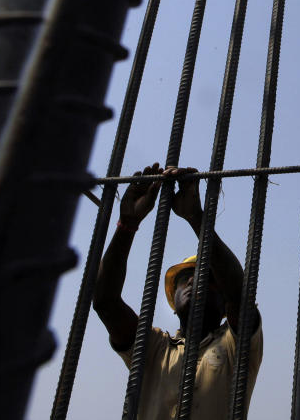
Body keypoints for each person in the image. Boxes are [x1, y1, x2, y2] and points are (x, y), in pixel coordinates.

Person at [93, 164, 263, 419]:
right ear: (173, 297)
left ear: (223, 298)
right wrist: (127, 225)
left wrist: (197, 217)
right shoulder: (153, 349)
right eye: (186, 278)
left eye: (208, 277)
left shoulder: (234, 346)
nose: (196, 279)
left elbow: (240, 294)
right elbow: (105, 302)